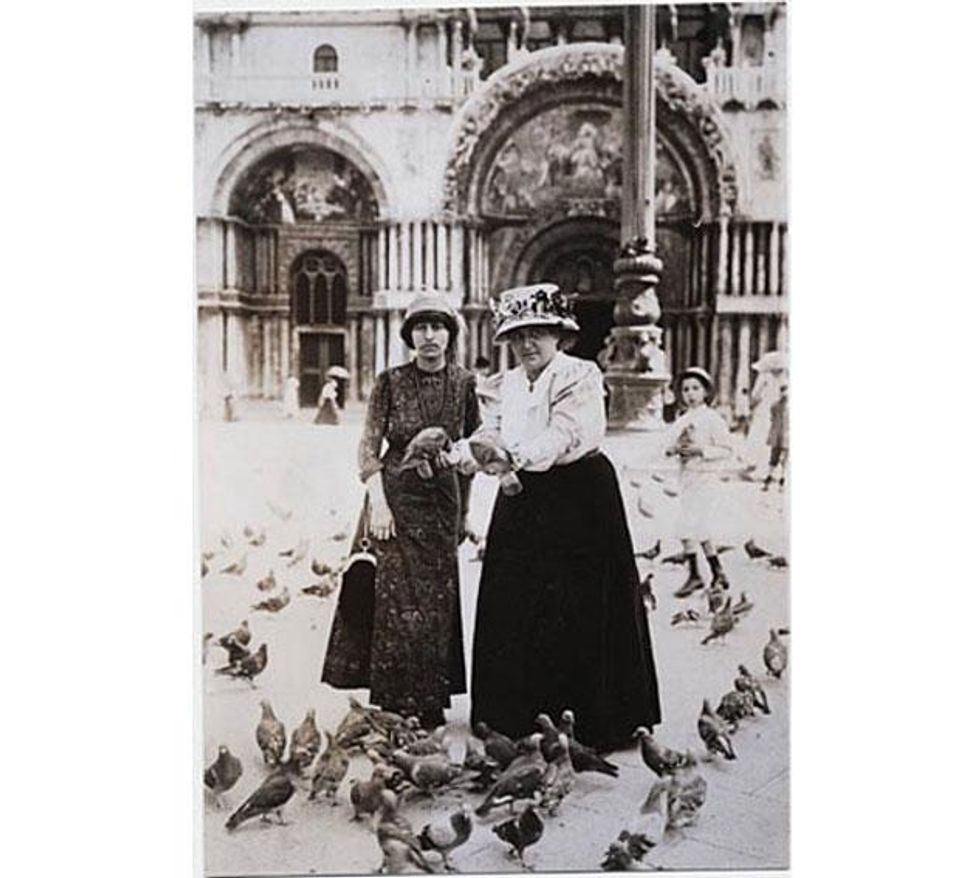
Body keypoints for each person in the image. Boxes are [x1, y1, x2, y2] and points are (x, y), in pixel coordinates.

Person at [469, 284, 661, 752]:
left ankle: (592, 717)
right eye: (518, 336)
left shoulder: (581, 374)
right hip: (521, 496)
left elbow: (566, 434)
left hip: (579, 496)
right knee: (518, 596)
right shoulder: (508, 382)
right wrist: (472, 452)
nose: (527, 344)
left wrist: (512, 454)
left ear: (560, 335)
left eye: (538, 333)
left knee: (578, 600)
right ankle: (516, 711)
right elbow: (489, 431)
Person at [322, 294, 479, 729]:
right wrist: (380, 504)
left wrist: (465, 513)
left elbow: (472, 450)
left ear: (450, 334)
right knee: (392, 599)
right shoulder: (389, 381)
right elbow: (369, 447)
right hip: (392, 500)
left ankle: (430, 700)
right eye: (421, 328)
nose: (429, 336)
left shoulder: (465, 383)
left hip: (442, 504)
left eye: (438, 327)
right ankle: (392, 698)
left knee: (437, 602)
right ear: (409, 336)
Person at [665, 367, 734, 598]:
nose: (690, 394)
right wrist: (675, 449)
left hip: (706, 478)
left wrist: (702, 450)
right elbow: (669, 445)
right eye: (685, 389)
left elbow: (726, 449)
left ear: (706, 391)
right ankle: (716, 572)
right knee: (694, 526)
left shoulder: (712, 419)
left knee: (690, 525)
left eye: (695, 388)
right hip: (688, 477)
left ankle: (697, 574)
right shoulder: (682, 420)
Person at [763, 381, 789, 490]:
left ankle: (782, 482)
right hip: (778, 436)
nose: (784, 394)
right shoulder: (775, 406)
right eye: (782, 391)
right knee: (773, 459)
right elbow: (772, 418)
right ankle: (768, 480)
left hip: (786, 436)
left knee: (784, 460)